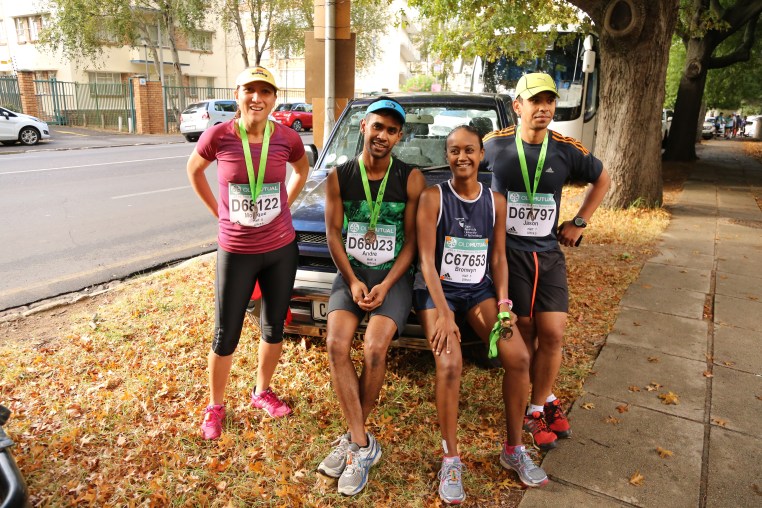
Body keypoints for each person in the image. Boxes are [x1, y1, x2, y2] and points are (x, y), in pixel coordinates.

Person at [415, 125, 548, 502]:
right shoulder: (433, 198)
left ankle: (514, 449)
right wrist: (444, 313)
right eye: (455, 150)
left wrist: (504, 305)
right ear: (447, 156)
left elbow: (499, 257)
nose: (462, 157)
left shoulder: (496, 202)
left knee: (519, 357)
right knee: (450, 364)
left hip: (478, 290)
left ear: (481, 155)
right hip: (437, 292)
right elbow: (426, 261)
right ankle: (450, 459)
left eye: (469, 150)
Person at [483, 73, 610, 452]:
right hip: (510, 256)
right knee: (525, 330)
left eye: (549, 101)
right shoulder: (494, 145)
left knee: (553, 332)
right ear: (517, 106)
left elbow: (602, 179)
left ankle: (537, 406)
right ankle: (544, 400)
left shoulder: (565, 149)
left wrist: (579, 221)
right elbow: (464, 170)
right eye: (535, 101)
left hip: (548, 254)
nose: (543, 108)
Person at [186, 66, 310, 440]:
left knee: (273, 327)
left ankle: (261, 391)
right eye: (250, 90)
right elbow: (194, 171)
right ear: (237, 94)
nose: (257, 98)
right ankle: (215, 406)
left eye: (265, 91)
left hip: (280, 248)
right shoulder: (218, 135)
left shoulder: (287, 137)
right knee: (226, 332)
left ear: (274, 99)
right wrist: (218, 213)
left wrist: (285, 203)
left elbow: (301, 170)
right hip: (237, 250)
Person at [318, 97, 426, 496]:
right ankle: (362, 443)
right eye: (378, 126)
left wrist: (386, 283)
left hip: (392, 277)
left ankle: (352, 440)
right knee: (335, 344)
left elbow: (412, 242)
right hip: (352, 275)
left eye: (392, 131)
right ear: (364, 126)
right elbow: (332, 234)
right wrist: (351, 280)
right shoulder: (340, 176)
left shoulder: (410, 178)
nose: (383, 135)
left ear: (399, 137)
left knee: (375, 348)